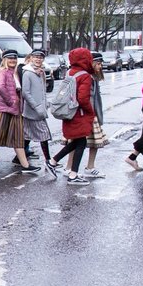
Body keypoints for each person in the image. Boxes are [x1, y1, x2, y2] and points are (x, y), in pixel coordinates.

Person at [0, 50, 40, 174]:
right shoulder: (1, 72)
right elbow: (0, 87)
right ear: (4, 60)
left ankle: (25, 165)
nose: (13, 60)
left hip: (14, 111)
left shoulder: (14, 73)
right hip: (2, 109)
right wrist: (11, 101)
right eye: (10, 58)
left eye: (15, 58)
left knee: (18, 137)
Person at [49, 48, 96, 184]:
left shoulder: (70, 72)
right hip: (79, 113)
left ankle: (54, 161)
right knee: (81, 142)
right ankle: (73, 175)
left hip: (68, 112)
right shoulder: (85, 76)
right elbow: (83, 99)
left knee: (77, 141)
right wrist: (90, 112)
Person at [19, 50, 54, 173]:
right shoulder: (28, 73)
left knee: (27, 135)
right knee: (43, 134)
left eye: (40, 57)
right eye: (36, 57)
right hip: (33, 110)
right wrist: (37, 107)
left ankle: (19, 158)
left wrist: (45, 104)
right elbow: (25, 93)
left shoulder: (41, 72)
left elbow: (42, 91)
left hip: (39, 109)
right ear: (31, 58)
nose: (38, 59)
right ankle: (49, 161)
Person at [80, 52, 109, 179]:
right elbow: (85, 98)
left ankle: (89, 167)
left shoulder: (94, 77)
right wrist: (91, 114)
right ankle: (72, 167)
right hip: (88, 114)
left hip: (92, 113)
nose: (100, 66)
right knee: (78, 143)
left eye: (100, 63)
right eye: (98, 63)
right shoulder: (88, 77)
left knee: (92, 143)